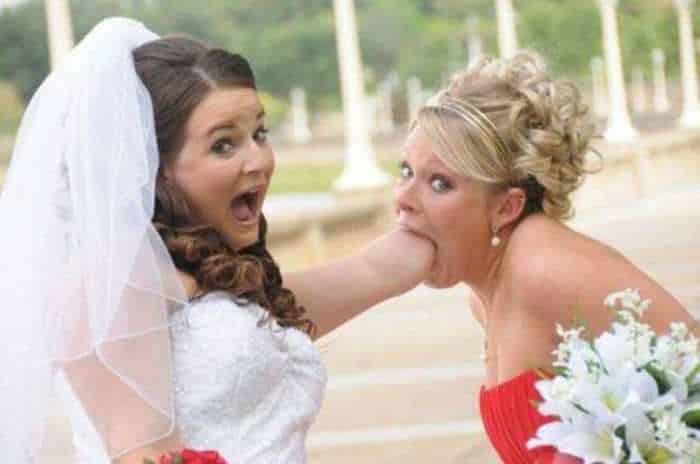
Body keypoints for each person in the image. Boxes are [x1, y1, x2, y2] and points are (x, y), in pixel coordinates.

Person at [0, 18, 433, 463]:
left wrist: (453, 165)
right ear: (156, 167)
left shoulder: (221, 281)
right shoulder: (113, 282)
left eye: (259, 134)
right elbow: (143, 456)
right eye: (224, 145)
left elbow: (379, 269)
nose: (259, 160)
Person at [394, 51, 698, 463]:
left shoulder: (541, 269)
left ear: (507, 207)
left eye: (439, 183)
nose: (403, 198)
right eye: (405, 172)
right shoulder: (484, 294)